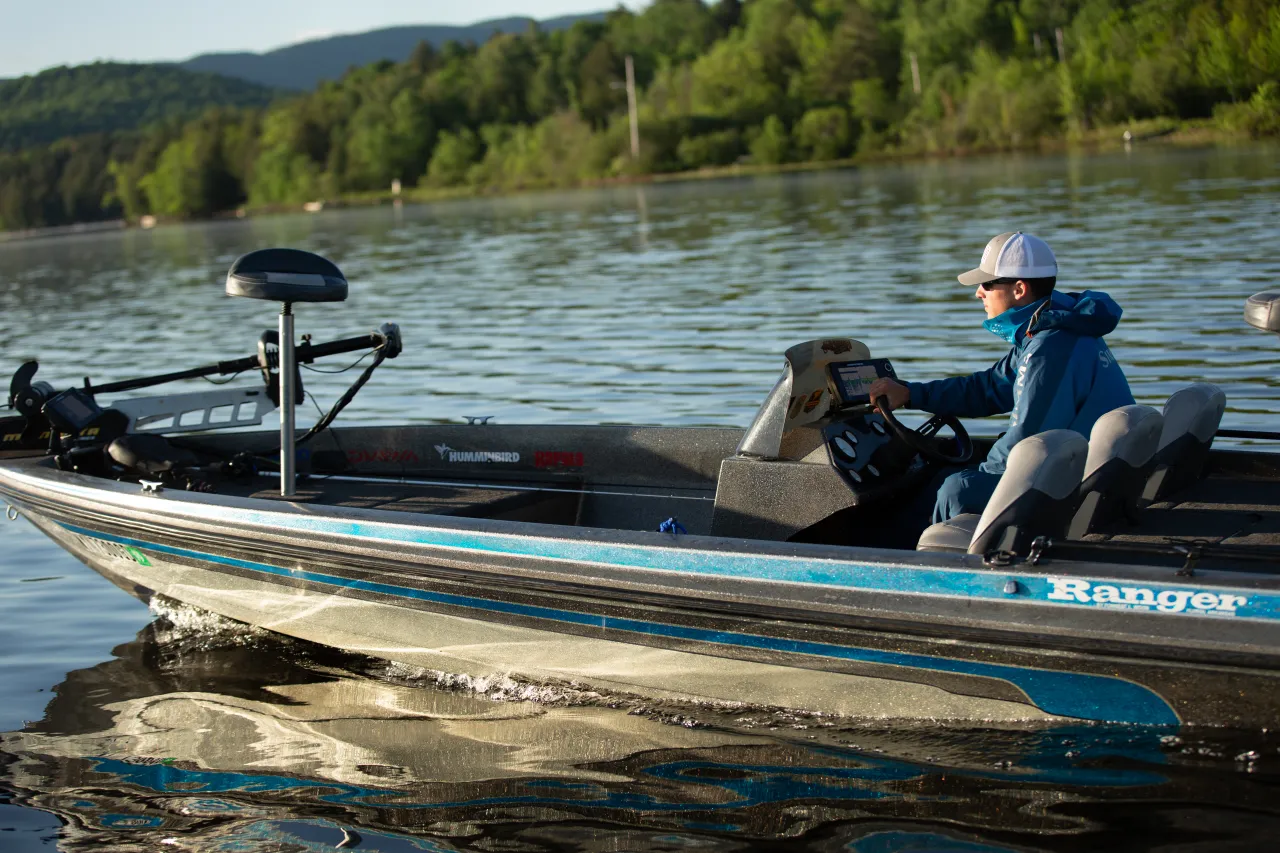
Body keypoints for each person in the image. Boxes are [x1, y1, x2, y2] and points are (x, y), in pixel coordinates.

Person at [867, 231, 1134, 527]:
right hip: (1091, 473)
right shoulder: (1054, 326)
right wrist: (909, 394)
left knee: (955, 490)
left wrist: (978, 475)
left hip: (1075, 486)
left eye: (987, 284)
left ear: (1019, 289)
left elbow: (1026, 441)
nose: (979, 293)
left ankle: (928, 566)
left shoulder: (1049, 349)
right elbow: (988, 388)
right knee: (949, 478)